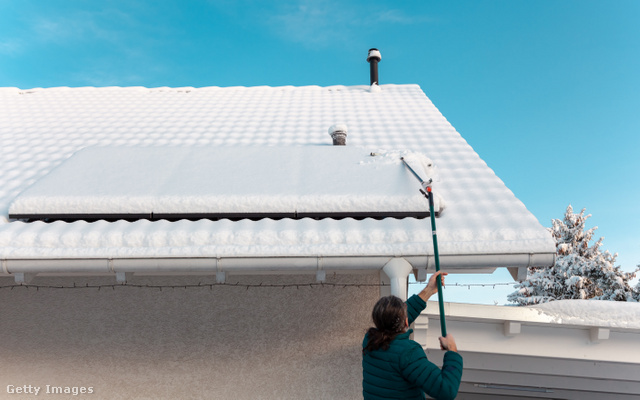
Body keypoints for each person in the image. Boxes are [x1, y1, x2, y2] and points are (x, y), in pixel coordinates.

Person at [362, 271, 463, 400]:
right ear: (406, 321)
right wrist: (452, 352)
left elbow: (395, 319)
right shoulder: (408, 353)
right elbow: (446, 390)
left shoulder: (369, 340)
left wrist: (429, 290)